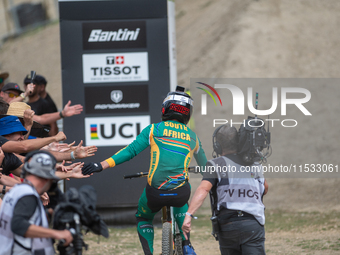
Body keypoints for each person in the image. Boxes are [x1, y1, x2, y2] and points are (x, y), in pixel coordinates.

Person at [82, 86, 207, 255]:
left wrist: (101, 165)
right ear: (188, 113)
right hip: (180, 194)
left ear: (165, 108)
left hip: (155, 193)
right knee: (182, 196)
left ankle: (148, 253)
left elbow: (130, 151)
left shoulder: (153, 130)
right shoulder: (194, 138)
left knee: (143, 217)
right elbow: (206, 167)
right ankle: (186, 243)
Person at [182, 124, 268, 255]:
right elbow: (265, 188)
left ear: (218, 146)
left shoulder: (214, 164)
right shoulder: (255, 164)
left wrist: (188, 215)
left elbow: (204, 189)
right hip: (253, 225)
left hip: (228, 226)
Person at [0, 150, 73, 255]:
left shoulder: (16, 191)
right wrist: (57, 234)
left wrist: (48, 213)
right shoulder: (27, 194)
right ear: (47, 179)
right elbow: (18, 225)